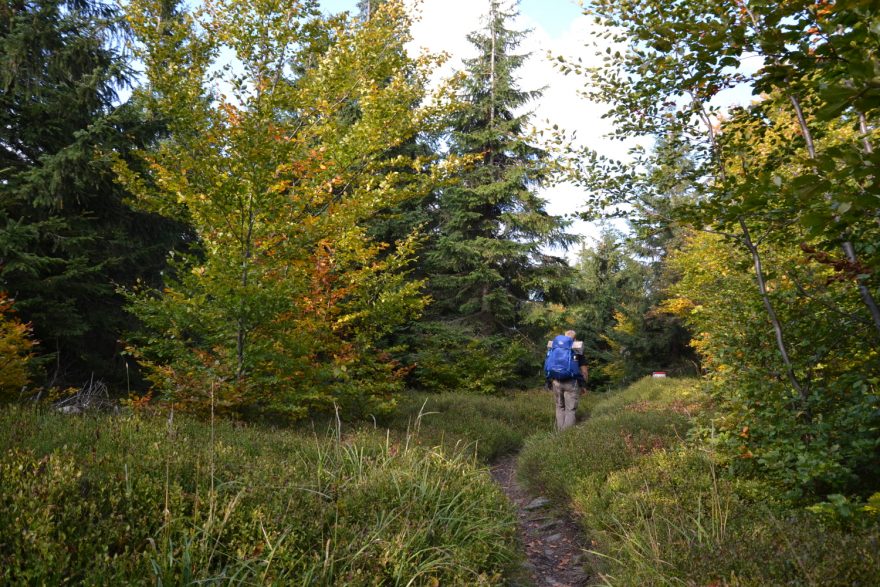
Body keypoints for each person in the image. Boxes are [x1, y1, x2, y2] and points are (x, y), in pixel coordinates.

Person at [544, 329, 588, 431]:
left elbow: (547, 365)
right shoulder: (576, 349)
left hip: (556, 382)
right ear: (575, 339)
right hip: (571, 383)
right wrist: (583, 385)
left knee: (559, 407)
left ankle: (560, 433)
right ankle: (566, 435)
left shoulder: (554, 348)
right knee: (570, 409)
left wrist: (548, 381)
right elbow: (584, 370)